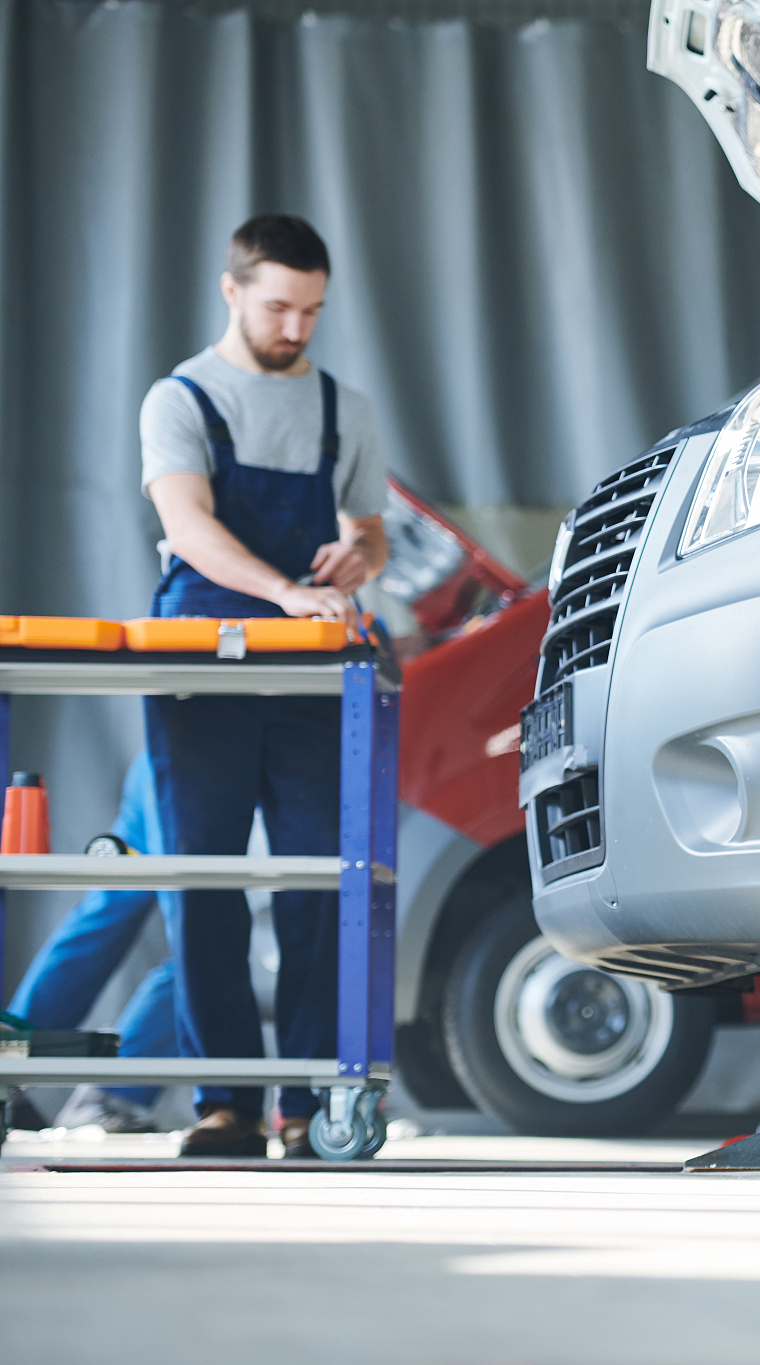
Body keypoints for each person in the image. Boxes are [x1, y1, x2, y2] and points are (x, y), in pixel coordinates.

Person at [140, 214, 388, 1158]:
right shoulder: (180, 400)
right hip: (201, 661)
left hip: (311, 673)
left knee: (321, 878)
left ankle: (309, 1101)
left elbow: (370, 531)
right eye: (279, 306)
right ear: (232, 289)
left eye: (312, 311)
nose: (296, 327)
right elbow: (189, 527)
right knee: (202, 877)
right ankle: (226, 1105)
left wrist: (358, 557)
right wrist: (285, 592)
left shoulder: (343, 407)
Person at [6, 752, 176, 1132]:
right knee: (206, 951)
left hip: (167, 753)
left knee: (104, 916)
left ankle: (10, 1066)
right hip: (207, 758)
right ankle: (109, 1095)